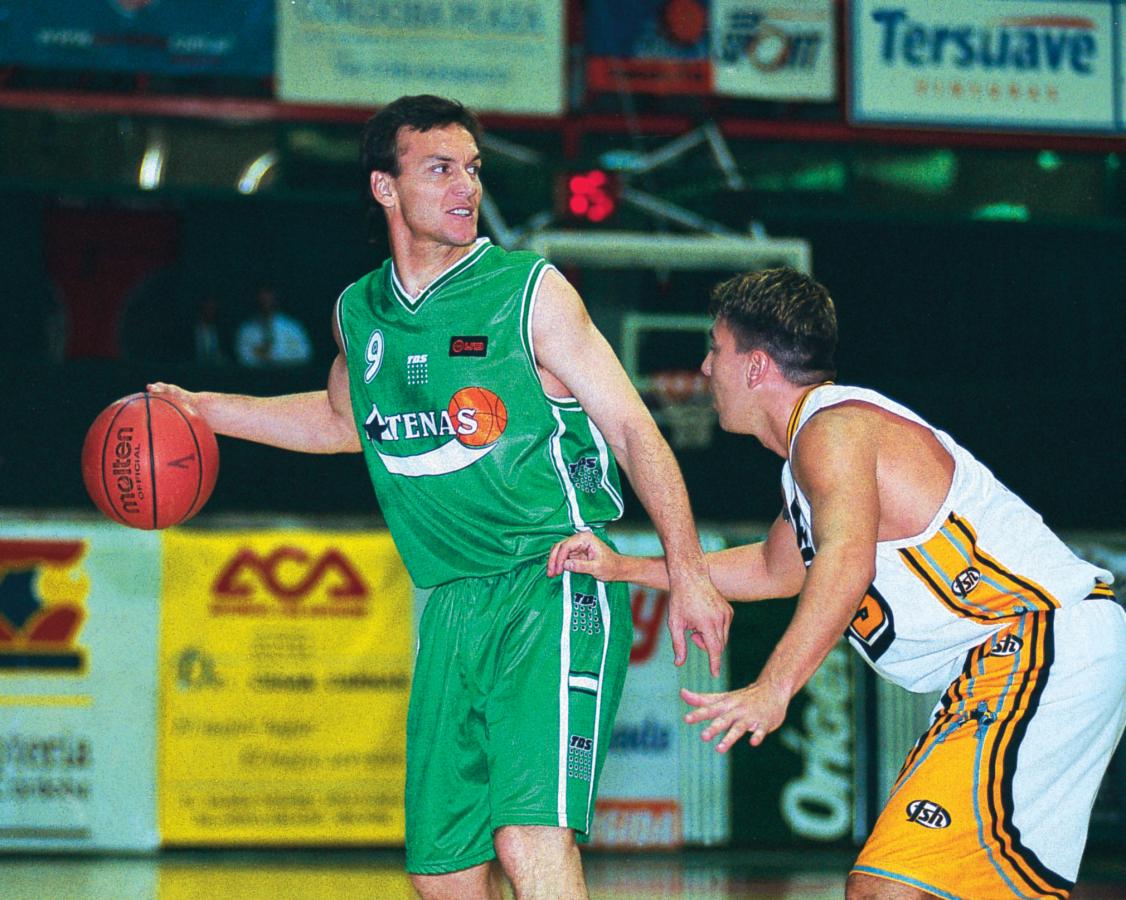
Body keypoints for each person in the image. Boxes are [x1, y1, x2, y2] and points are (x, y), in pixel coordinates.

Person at [149, 94, 731, 900]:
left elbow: (635, 430)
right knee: (444, 876)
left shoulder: (531, 291)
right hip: (451, 603)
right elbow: (339, 420)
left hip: (549, 581)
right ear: (386, 188)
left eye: (472, 169)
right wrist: (206, 411)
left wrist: (690, 569)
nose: (466, 187)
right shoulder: (361, 311)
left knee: (530, 838)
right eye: (440, 169)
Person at [549, 267, 1126, 899]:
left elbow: (848, 564)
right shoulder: (816, 457)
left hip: (1036, 645)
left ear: (756, 366)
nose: (707, 368)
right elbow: (773, 570)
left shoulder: (832, 432)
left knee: (889, 890)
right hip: (1019, 661)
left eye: (717, 349)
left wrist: (775, 686)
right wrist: (625, 566)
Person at [234, 284, 313, 368]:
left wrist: (273, 355)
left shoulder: (292, 328)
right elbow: (243, 357)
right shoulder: (246, 330)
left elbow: (304, 354)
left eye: (269, 299)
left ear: (276, 299)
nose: (266, 303)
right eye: (263, 300)